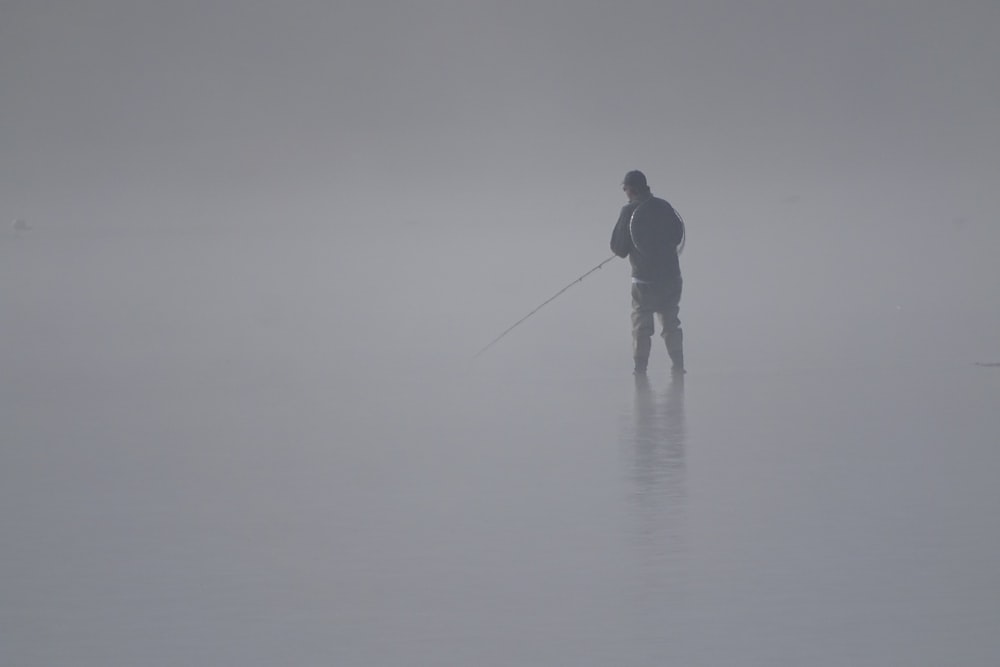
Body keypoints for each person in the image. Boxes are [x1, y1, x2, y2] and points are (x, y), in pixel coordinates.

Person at [610, 170, 685, 375]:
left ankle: (640, 370)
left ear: (631, 189)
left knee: (641, 325)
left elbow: (618, 249)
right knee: (671, 322)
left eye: (625, 189)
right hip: (671, 278)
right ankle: (678, 365)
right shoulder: (664, 206)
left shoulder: (629, 212)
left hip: (644, 281)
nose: (625, 193)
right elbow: (678, 236)